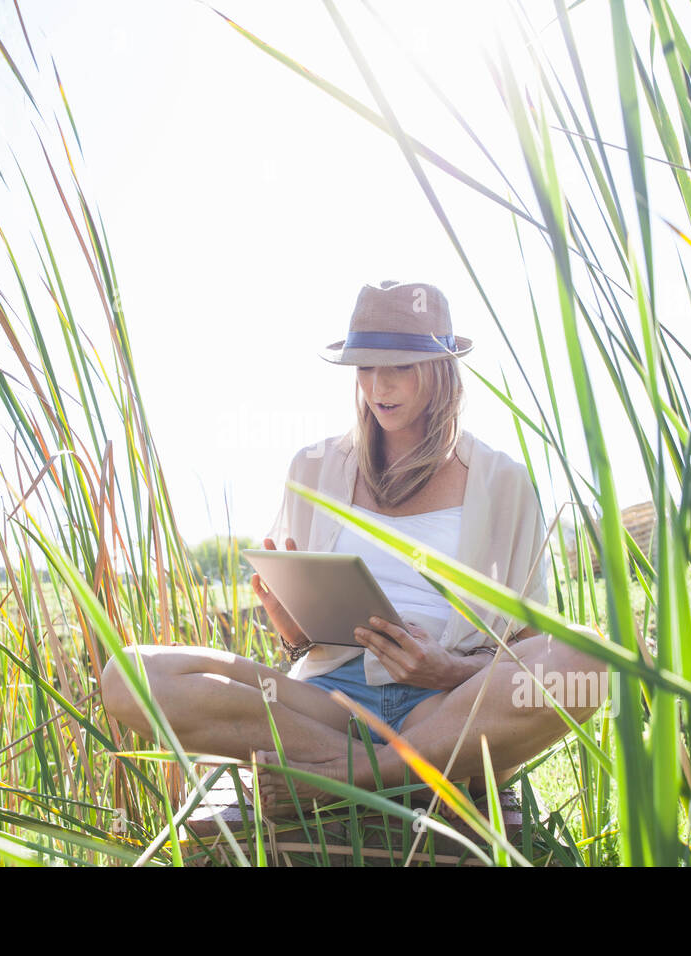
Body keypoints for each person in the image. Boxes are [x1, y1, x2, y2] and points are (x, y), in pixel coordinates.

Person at [101, 280, 607, 813]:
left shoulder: (504, 482)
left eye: (399, 368)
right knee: (129, 675)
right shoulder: (314, 467)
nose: (378, 386)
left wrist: (447, 670)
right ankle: (388, 772)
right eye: (365, 367)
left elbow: (528, 644)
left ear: (440, 369)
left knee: (591, 657)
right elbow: (299, 649)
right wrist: (293, 632)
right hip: (327, 704)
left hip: (446, 708)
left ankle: (354, 775)